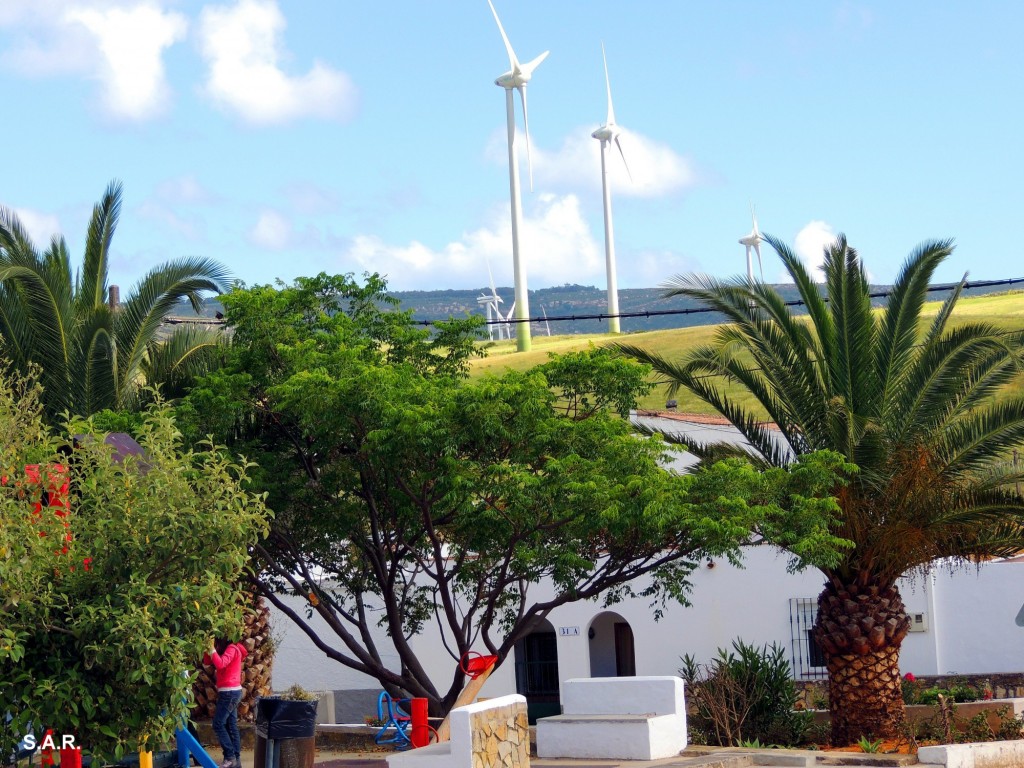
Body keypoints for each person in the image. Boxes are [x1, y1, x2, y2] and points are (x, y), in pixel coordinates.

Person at [204, 637, 248, 768]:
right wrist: (208, 648)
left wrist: (212, 649)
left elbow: (220, 664)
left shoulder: (232, 648)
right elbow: (207, 662)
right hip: (229, 692)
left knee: (218, 724)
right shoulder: (223, 649)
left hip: (230, 693)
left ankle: (230, 757)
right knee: (231, 725)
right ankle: (236, 760)